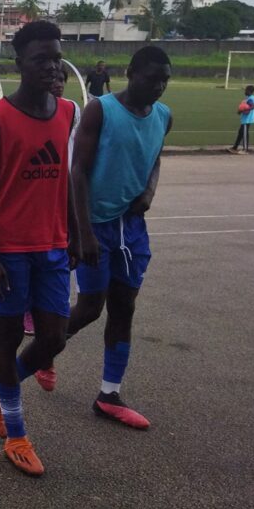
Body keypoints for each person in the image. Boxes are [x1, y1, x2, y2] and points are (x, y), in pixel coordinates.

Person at [0, 21, 79, 477]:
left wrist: (74, 232)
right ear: (19, 63)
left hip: (53, 246)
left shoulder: (69, 111)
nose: (51, 66)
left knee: (54, 338)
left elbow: (68, 179)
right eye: (41, 58)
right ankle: (16, 434)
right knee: (8, 336)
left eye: (55, 57)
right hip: (9, 250)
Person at [55, 46, 173, 429]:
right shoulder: (100, 110)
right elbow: (78, 171)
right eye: (151, 78)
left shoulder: (163, 116)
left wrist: (148, 193)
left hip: (132, 226)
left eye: (164, 80)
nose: (158, 86)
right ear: (130, 73)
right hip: (96, 224)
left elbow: (154, 157)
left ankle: (109, 394)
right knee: (91, 307)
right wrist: (82, 231)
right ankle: (43, 351)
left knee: (125, 308)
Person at [23, 66, 82, 340]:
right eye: (54, 78)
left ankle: (49, 307)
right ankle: (27, 307)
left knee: (61, 253)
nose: (58, 83)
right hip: (40, 190)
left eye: (62, 79)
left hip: (63, 189)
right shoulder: (27, 113)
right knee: (33, 252)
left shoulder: (71, 110)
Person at [230, 84, 254, 154]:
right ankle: (235, 147)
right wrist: (240, 111)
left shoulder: (250, 99)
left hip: (247, 119)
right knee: (241, 133)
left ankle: (245, 150)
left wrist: (244, 110)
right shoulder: (248, 98)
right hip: (245, 119)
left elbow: (253, 106)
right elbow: (244, 107)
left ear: (250, 91)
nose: (245, 91)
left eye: (246, 90)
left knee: (244, 133)